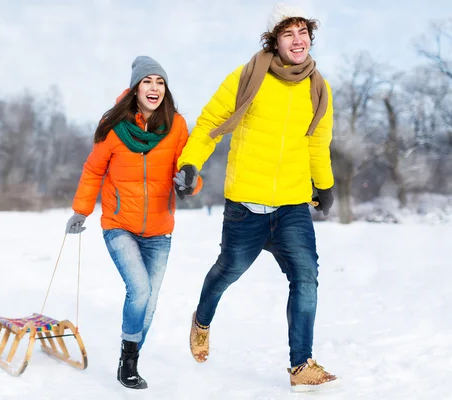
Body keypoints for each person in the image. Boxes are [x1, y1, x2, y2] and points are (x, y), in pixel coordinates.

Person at [173, 3, 339, 392]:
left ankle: (302, 364)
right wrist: (190, 163)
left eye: (303, 33)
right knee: (228, 270)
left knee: (306, 278)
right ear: (275, 40)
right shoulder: (248, 76)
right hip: (246, 205)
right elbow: (211, 123)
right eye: (288, 33)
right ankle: (201, 319)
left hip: (293, 205)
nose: (297, 41)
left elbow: (318, 142)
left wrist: (325, 185)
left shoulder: (319, 87)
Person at [66, 56, 202, 390]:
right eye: (148, 81)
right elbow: (94, 169)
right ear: (135, 88)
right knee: (139, 290)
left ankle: (130, 357)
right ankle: (128, 362)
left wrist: (191, 182)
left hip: (159, 230)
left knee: (150, 302)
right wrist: (81, 210)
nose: (154, 88)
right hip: (119, 224)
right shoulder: (113, 125)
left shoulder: (177, 126)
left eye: (160, 82)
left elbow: (189, 170)